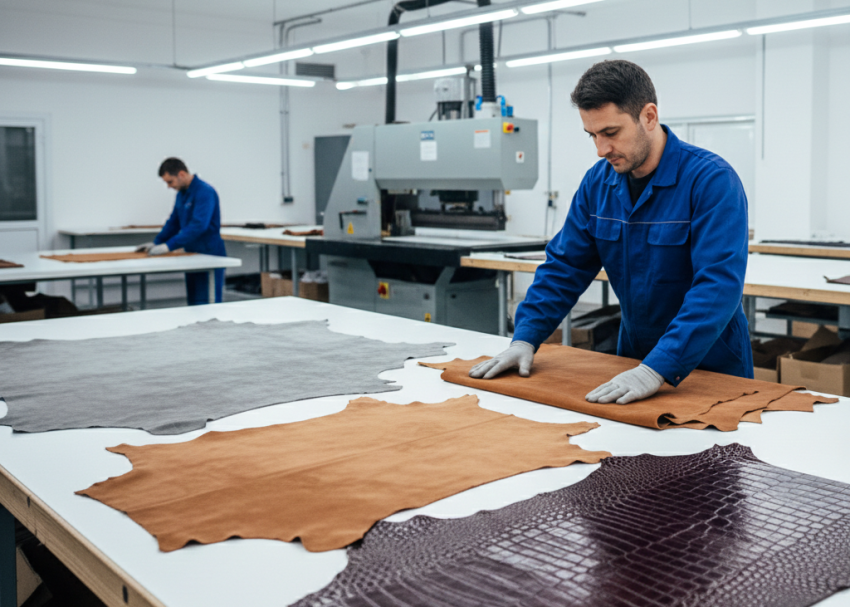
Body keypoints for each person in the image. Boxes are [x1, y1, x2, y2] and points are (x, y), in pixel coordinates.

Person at [470, 59, 752, 404]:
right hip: (631, 361)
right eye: (592, 135)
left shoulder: (710, 181)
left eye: (611, 133)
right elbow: (565, 267)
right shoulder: (597, 183)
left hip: (709, 367)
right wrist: (525, 339)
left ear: (649, 116)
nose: (601, 149)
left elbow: (717, 287)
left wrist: (658, 368)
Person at [136, 157, 227, 305]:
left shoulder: (205, 192)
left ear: (182, 174)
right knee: (194, 305)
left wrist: (169, 246)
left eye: (170, 182)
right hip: (191, 255)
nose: (169, 186)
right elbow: (174, 222)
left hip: (210, 256)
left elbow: (198, 226)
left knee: (209, 305)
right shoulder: (182, 194)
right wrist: (157, 242)